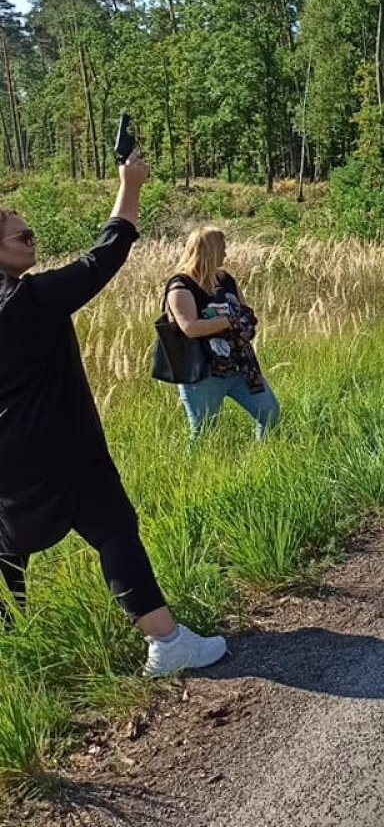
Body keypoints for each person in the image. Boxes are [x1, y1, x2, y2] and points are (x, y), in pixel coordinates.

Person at [0, 153, 227, 675]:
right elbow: (106, 254)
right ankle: (167, 641)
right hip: (59, 445)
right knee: (114, 527)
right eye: (24, 235)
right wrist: (130, 184)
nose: (31, 237)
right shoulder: (27, 299)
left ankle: (12, 660)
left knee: (7, 548)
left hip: (6, 457)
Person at [165, 227, 280, 441]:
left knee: (269, 411)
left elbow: (246, 313)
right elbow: (189, 328)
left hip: (241, 366)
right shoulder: (180, 286)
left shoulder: (226, 279)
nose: (226, 253)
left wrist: (239, 323)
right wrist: (229, 321)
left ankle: (261, 459)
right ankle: (195, 473)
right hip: (202, 372)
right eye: (222, 248)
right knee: (204, 434)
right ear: (209, 251)